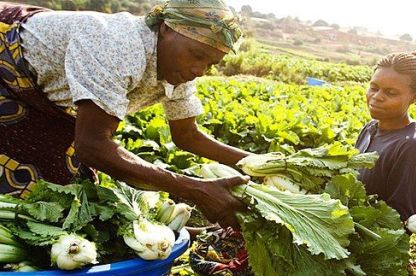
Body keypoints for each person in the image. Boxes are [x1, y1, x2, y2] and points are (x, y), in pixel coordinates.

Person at [0, 0, 250, 228]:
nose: (199, 69)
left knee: (68, 194)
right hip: (7, 60)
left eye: (210, 64)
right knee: (30, 200)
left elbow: (187, 135)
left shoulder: (180, 68)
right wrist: (194, 189)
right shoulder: (119, 45)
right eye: (197, 55)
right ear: (166, 29)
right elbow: (92, 146)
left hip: (44, 97)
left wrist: (260, 167)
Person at [355, 51, 416, 221]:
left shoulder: (414, 147)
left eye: (390, 93)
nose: (376, 97)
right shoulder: (370, 129)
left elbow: (402, 221)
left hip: (369, 246)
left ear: (414, 97)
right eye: (374, 87)